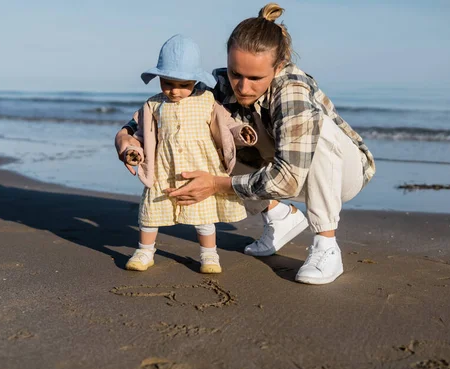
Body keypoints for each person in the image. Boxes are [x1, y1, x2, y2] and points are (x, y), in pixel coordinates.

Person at [115, 4, 376, 285]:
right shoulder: (218, 83)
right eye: (235, 73)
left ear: (278, 67)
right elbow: (171, 107)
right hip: (282, 169)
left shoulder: (293, 90)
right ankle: (278, 215)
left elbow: (288, 179)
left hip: (341, 175)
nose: (242, 87)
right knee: (210, 136)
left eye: (255, 78)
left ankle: (326, 246)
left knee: (319, 129)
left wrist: (215, 184)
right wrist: (127, 133)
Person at [122, 34, 258, 274]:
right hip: (163, 169)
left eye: (184, 85)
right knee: (151, 214)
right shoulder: (153, 104)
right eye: (168, 83)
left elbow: (227, 124)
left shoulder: (207, 101)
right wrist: (132, 150)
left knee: (203, 217)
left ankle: (209, 256)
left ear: (195, 81)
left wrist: (241, 132)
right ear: (159, 78)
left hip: (199, 168)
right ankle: (145, 251)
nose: (175, 91)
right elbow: (140, 133)